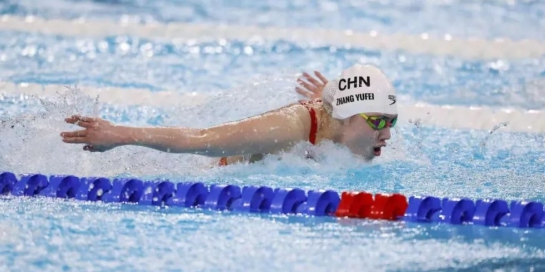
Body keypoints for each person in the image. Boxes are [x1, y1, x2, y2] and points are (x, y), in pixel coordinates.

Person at [60, 64, 398, 165]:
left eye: (390, 121)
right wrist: (119, 134)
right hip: (208, 174)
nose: (387, 134)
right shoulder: (290, 127)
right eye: (378, 122)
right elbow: (201, 139)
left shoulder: (342, 122)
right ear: (345, 117)